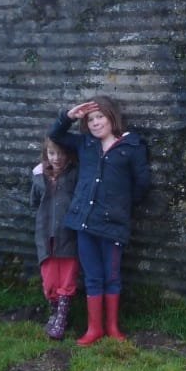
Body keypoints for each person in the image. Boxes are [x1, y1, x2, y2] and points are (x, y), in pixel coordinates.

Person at [48, 95, 150, 345]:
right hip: (84, 222)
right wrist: (68, 117)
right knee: (92, 276)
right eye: (90, 119)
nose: (95, 123)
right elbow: (56, 135)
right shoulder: (85, 145)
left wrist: (121, 206)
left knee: (111, 276)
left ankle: (113, 327)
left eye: (100, 117)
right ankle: (94, 329)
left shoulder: (132, 147)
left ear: (111, 117)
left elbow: (142, 184)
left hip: (114, 224)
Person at [31, 137, 80, 340]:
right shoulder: (39, 176)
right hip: (46, 236)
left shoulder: (75, 175)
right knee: (50, 280)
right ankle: (53, 311)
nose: (57, 158)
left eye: (61, 153)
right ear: (46, 155)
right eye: (52, 153)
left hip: (68, 235)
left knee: (67, 278)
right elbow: (34, 202)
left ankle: (62, 317)